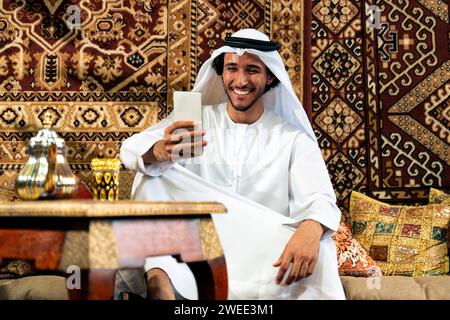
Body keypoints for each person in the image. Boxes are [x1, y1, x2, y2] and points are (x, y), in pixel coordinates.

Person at [119, 28, 345, 300]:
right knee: (151, 174)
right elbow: (130, 149)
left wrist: (311, 229)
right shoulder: (195, 122)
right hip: (199, 240)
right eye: (232, 69)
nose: (240, 80)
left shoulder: (291, 138)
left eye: (252, 70)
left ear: (269, 76)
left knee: (323, 249)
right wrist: (159, 151)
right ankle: (159, 280)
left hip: (258, 245)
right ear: (221, 73)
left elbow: (320, 197)